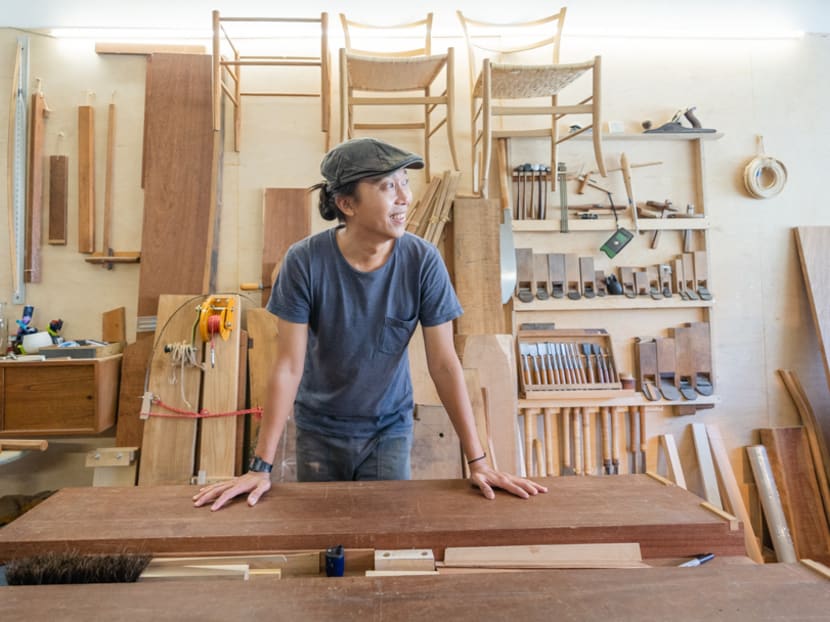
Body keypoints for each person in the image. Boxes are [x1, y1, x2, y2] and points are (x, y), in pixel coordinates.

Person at [193, 138, 547, 511]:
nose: (405, 197)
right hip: (319, 430)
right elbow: (289, 366)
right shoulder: (304, 263)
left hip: (388, 432)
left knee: (386, 539)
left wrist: (479, 462)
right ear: (347, 204)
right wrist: (260, 468)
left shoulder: (422, 262)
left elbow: (444, 365)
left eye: (404, 182)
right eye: (387, 186)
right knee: (323, 541)